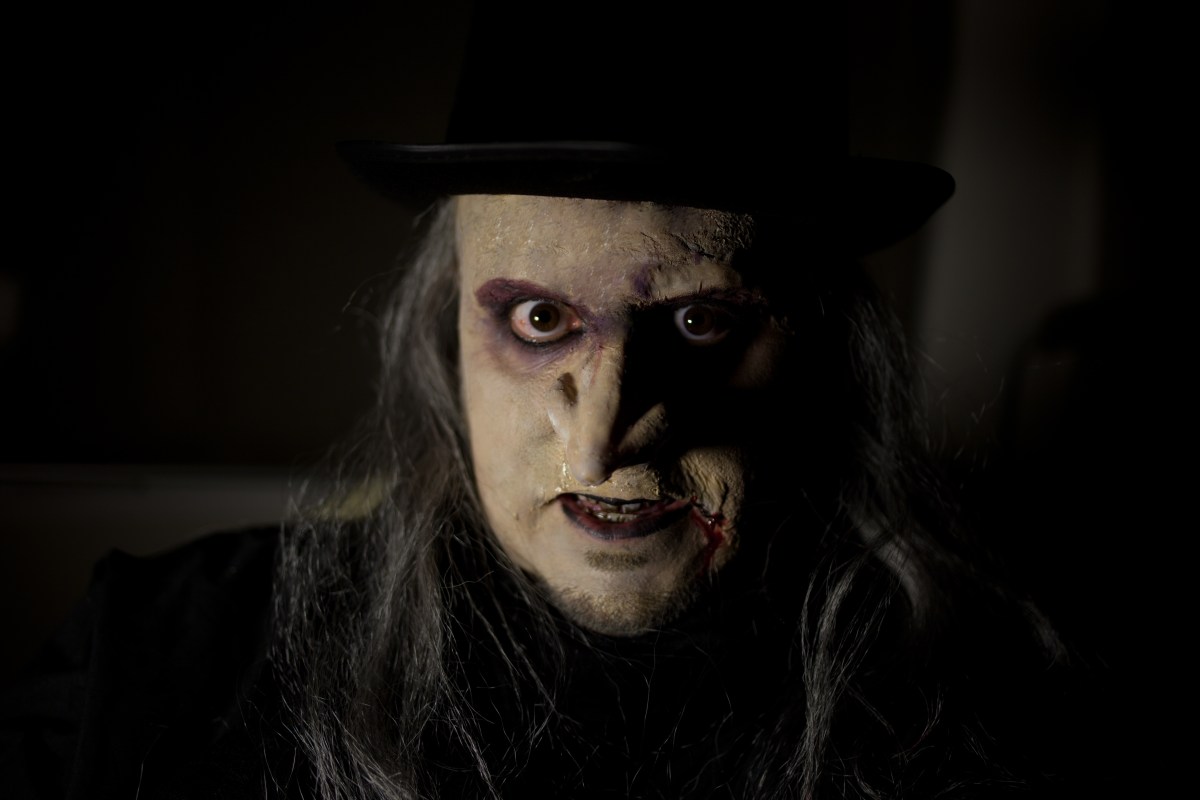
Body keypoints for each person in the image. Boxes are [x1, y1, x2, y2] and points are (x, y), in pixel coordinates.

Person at [3, 7, 1113, 799]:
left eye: (700, 322)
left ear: (825, 348)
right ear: (444, 328)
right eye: (539, 320)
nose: (602, 437)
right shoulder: (156, 663)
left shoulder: (997, 706)